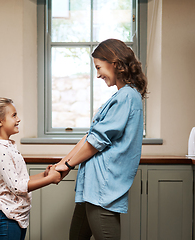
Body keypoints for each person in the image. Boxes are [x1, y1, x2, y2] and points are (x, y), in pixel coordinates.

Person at [54, 38, 148, 240]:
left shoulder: (127, 97)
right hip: (91, 188)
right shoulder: (120, 96)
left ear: (114, 63)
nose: (97, 74)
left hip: (102, 191)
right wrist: (61, 164)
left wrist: (68, 165)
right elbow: (90, 137)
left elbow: (97, 141)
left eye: (98, 67)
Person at [0, 97, 61, 240]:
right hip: (7, 215)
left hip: (15, 213)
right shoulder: (0, 150)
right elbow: (18, 187)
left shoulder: (8, 145)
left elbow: (20, 180)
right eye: (14, 115)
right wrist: (49, 180)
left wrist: (44, 175)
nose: (18, 119)